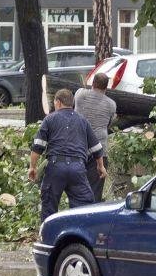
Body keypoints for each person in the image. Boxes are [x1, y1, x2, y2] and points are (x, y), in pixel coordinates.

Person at [28, 89, 107, 221]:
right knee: (82, 207)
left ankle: (50, 237)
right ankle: (78, 235)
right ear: (72, 103)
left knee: (49, 205)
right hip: (78, 168)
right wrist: (101, 166)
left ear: (58, 102)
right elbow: (97, 147)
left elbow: (38, 146)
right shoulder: (83, 121)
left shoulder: (49, 119)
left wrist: (33, 167)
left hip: (55, 168)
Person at [74, 73, 117, 202]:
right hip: (99, 149)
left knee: (77, 187)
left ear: (93, 83)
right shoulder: (111, 104)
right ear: (106, 87)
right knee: (96, 188)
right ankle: (93, 209)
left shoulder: (81, 94)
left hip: (79, 146)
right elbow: (110, 123)